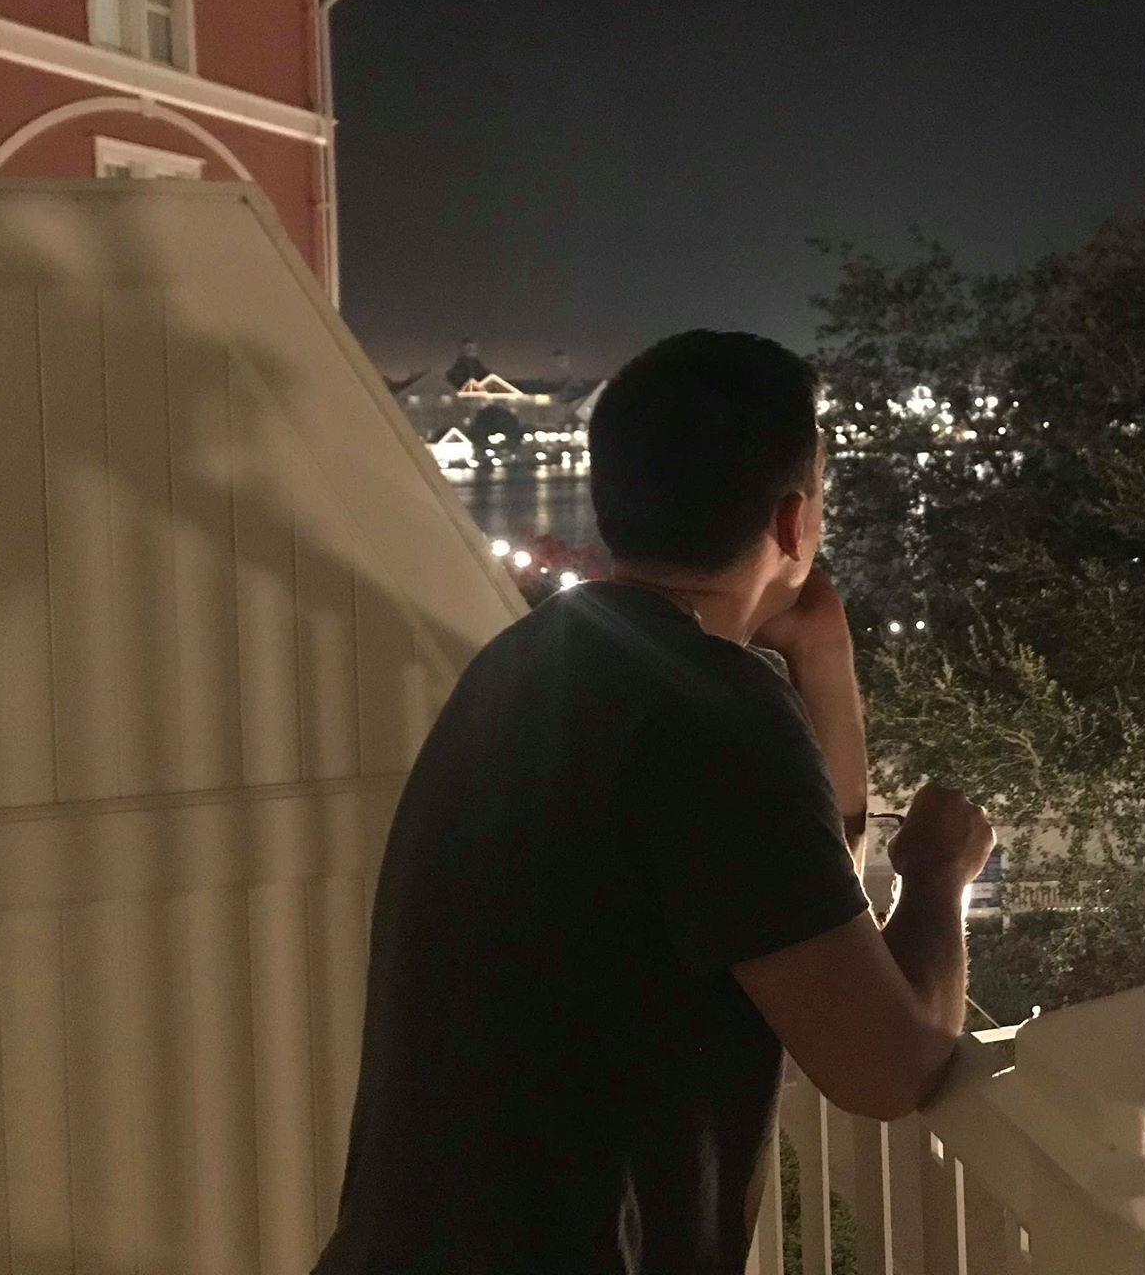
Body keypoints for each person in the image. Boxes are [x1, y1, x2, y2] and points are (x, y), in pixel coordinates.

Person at [314, 330, 995, 1274]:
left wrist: (824, 664)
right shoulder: (711, 712)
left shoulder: (537, 656)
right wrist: (939, 875)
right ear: (795, 521)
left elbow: (792, 892)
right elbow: (889, 1068)